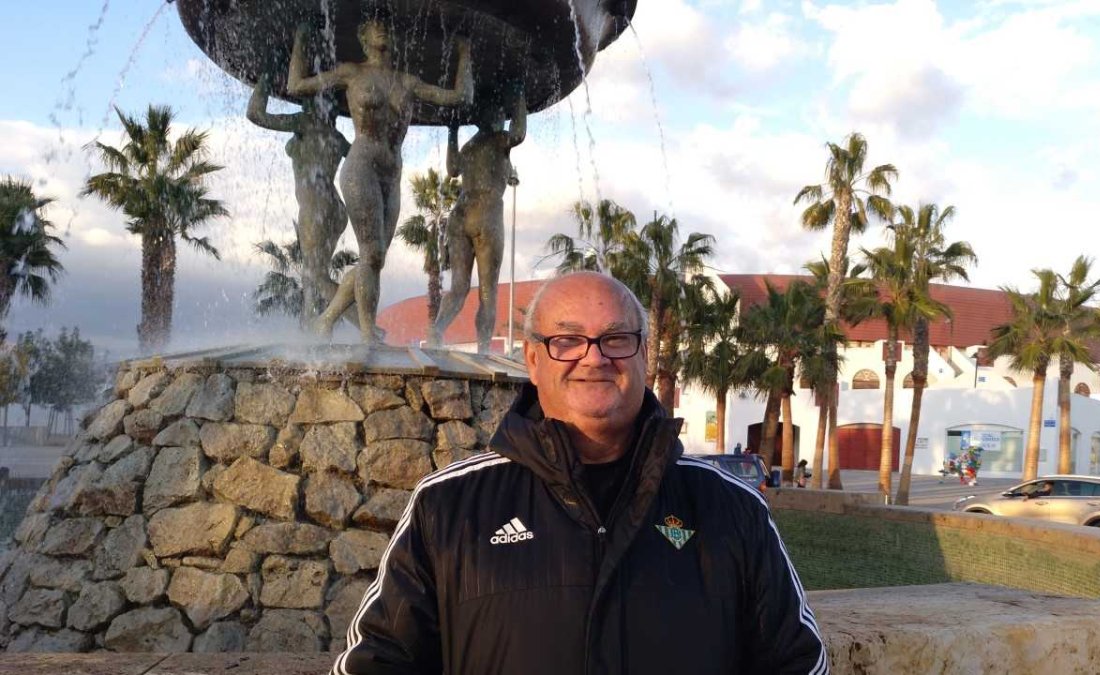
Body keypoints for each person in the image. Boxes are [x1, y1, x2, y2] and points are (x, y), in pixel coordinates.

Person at [331, 272, 827, 674]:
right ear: (531, 358)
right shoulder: (448, 506)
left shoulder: (729, 507)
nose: (594, 357)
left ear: (643, 354)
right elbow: (379, 660)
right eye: (567, 340)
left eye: (615, 338)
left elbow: (796, 661)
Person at [289, 21, 473, 342]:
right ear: (362, 38)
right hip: (361, 165)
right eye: (374, 27)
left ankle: (327, 320)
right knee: (372, 254)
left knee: (374, 258)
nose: (383, 30)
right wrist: (301, 40)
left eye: (387, 26)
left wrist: (464, 51)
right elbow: (296, 86)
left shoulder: (407, 81)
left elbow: (459, 97)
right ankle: (366, 337)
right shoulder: (351, 72)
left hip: (392, 174)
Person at [246, 77, 350, 323]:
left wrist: (267, 77)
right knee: (313, 275)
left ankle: (366, 325)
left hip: (315, 204)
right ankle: (311, 329)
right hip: (336, 208)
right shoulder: (337, 138)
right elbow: (361, 159)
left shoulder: (305, 122)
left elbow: (256, 114)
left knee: (314, 275)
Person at [430, 89, 527, 353]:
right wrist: (520, 96)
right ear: (494, 117)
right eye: (501, 114)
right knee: (488, 289)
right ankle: (484, 349)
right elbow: (519, 134)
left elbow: (452, 170)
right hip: (487, 212)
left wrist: (452, 131)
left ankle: (436, 331)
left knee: (459, 287)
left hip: (460, 213)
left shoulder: (469, 145)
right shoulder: (500, 140)